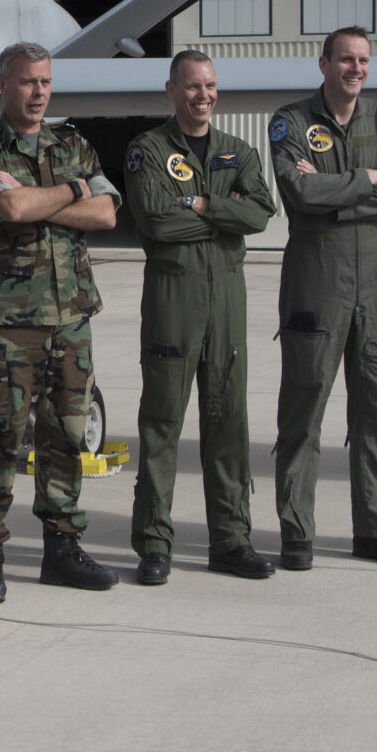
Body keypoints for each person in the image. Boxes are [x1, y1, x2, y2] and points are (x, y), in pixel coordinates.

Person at [0, 41, 120, 603]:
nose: (38, 92)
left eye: (45, 82)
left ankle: (62, 548)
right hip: (8, 322)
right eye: (27, 82)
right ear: (4, 85)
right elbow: (8, 210)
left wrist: (45, 196)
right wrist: (73, 189)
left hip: (70, 317)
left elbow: (107, 212)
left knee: (67, 437)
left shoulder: (72, 142)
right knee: (0, 435)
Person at [124, 51, 276, 583]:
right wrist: (221, 211)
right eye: (192, 87)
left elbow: (259, 213)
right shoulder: (148, 149)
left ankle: (231, 540)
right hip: (174, 299)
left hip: (228, 302)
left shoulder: (238, 150)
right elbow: (157, 221)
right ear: (172, 90)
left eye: (210, 86)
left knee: (229, 422)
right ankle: (154, 544)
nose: (203, 95)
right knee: (163, 423)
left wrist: (202, 205)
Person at [269, 25, 377, 570]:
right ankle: (296, 531)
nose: (355, 68)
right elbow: (299, 194)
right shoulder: (292, 121)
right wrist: (368, 180)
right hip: (316, 277)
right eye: (346, 59)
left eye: (363, 60)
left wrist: (341, 192)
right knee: (304, 406)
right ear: (324, 63)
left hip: (375, 283)